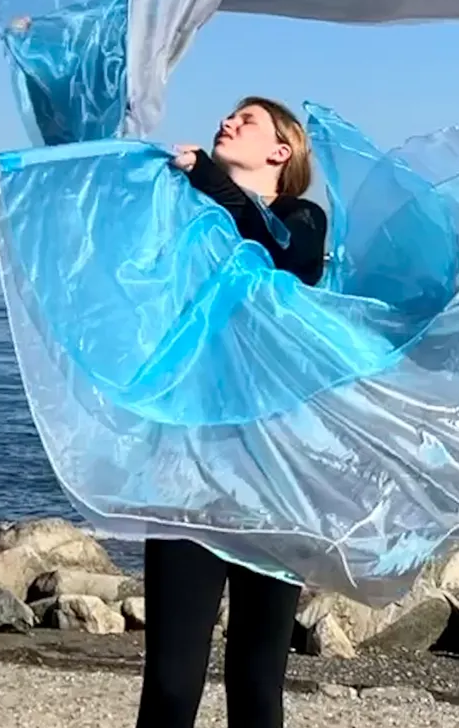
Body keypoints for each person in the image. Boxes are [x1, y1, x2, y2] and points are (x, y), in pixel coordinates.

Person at [135, 97, 328, 728]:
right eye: (229, 115)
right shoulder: (187, 217)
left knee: (256, 681)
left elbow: (276, 257)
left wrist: (207, 176)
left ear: (282, 152)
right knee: (169, 683)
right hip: (187, 475)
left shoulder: (303, 219)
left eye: (248, 120)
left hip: (275, 483)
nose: (228, 122)